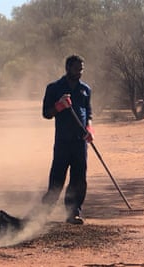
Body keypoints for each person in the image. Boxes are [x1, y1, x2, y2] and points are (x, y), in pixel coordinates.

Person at [41, 55, 94, 225]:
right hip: (63, 142)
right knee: (57, 178)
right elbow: (46, 114)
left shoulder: (85, 89)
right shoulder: (54, 88)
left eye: (82, 69)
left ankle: (73, 213)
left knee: (79, 179)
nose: (79, 72)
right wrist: (59, 106)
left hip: (80, 142)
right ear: (68, 68)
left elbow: (89, 113)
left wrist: (89, 130)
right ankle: (43, 213)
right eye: (76, 69)